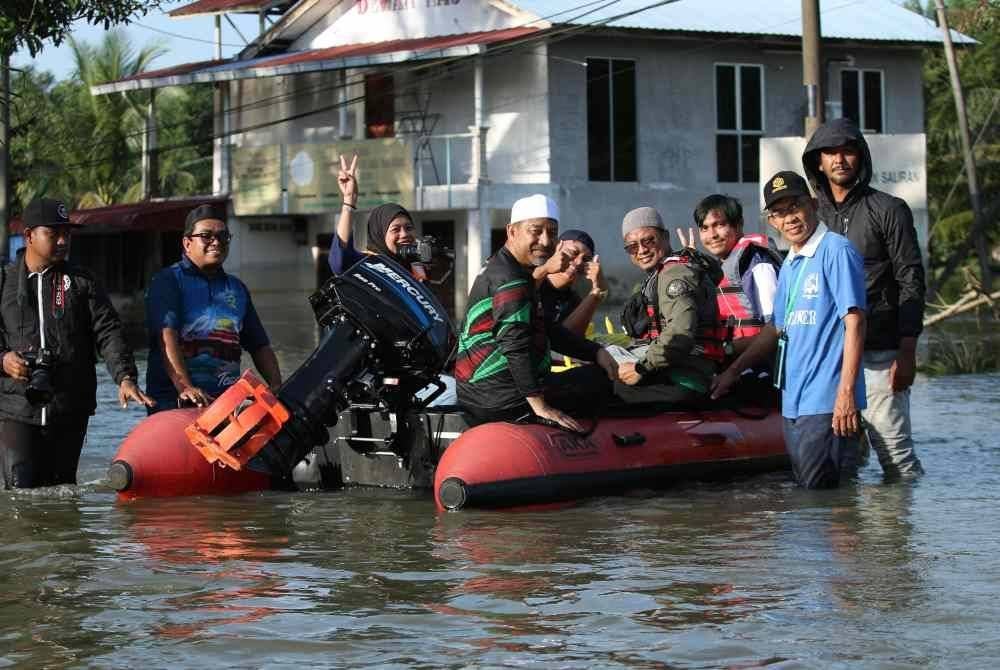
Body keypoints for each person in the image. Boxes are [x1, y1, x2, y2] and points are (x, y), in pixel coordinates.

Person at [712, 171, 867, 489]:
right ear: (771, 221)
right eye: (779, 212)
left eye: (795, 206)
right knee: (812, 504)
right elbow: (774, 330)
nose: (789, 218)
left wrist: (846, 394)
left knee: (822, 500)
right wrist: (732, 372)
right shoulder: (792, 262)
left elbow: (855, 322)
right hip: (794, 400)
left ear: (812, 204)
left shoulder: (835, 251)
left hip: (827, 401)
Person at [803, 118, 926, 479]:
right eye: (830, 152)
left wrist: (907, 351)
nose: (839, 160)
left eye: (848, 151)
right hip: (829, 359)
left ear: (861, 157)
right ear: (818, 162)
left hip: (881, 352)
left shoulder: (889, 209)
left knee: (897, 462)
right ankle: (851, 534)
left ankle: (899, 536)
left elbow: (911, 279)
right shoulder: (810, 215)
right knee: (844, 463)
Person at [0, 198, 153, 488]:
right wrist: (4, 359)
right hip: (15, 405)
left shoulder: (82, 282)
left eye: (66, 234)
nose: (62, 240)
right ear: (29, 235)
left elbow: (108, 332)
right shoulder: (3, 281)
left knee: (62, 489)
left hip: (69, 405)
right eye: (53, 233)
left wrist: (125, 377)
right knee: (20, 486)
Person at [455, 194, 617, 430]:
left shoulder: (505, 266)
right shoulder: (511, 279)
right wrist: (540, 406)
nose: (544, 240)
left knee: (593, 372)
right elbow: (515, 344)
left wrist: (595, 351)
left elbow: (547, 329)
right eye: (536, 231)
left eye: (552, 232)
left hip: (484, 393)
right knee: (600, 381)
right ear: (512, 231)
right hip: (501, 398)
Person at [145, 204, 281, 413]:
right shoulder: (168, 281)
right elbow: (166, 336)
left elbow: (259, 345)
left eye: (223, 236)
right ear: (187, 243)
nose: (216, 242)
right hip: (175, 404)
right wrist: (186, 387)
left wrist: (276, 386)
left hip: (227, 405)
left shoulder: (237, 288)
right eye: (206, 236)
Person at [616, 206, 724, 406]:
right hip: (679, 369)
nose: (641, 250)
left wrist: (641, 368)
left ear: (665, 237)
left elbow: (679, 331)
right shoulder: (662, 273)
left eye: (648, 240)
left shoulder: (674, 274)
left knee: (602, 382)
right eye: (632, 247)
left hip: (685, 378)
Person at [694, 194, 782, 357]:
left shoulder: (757, 263)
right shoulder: (718, 266)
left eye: (719, 225)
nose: (712, 235)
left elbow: (776, 329)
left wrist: (728, 350)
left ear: (739, 224)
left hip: (759, 373)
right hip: (732, 367)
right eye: (704, 228)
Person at [328, 154, 427, 281]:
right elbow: (339, 262)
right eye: (395, 229)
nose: (404, 234)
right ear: (379, 234)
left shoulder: (418, 266)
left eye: (408, 228)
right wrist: (349, 201)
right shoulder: (370, 265)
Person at [536, 229, 609, 336]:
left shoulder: (574, 302)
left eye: (585, 259)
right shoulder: (531, 281)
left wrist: (597, 290)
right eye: (573, 253)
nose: (579, 262)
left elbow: (569, 340)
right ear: (556, 248)